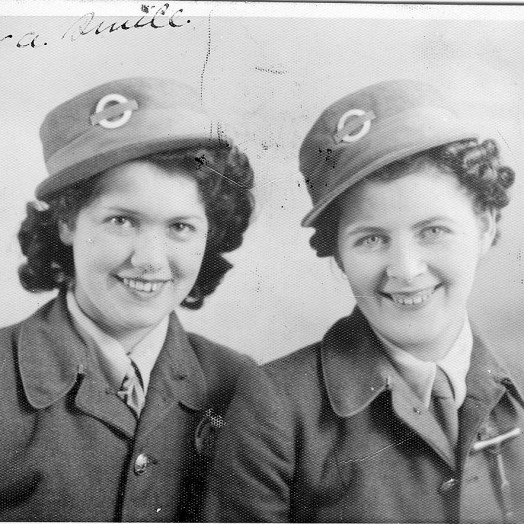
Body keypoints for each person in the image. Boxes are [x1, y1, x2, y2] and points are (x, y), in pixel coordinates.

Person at [204, 79, 524, 523]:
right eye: (371, 239)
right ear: (336, 252)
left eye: (433, 231)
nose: (405, 269)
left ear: (486, 227)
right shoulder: (274, 407)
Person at [0, 77, 255, 522]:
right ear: (66, 223)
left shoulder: (240, 385)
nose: (150, 261)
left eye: (180, 227)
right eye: (121, 220)